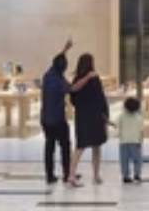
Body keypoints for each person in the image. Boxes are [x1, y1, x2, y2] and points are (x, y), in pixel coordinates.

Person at [40, 39, 81, 184]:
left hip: (45, 119)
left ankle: (49, 175)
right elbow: (73, 89)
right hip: (57, 119)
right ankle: (67, 174)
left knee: (49, 146)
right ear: (63, 69)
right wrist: (87, 77)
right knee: (65, 145)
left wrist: (65, 49)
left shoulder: (48, 75)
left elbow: (56, 61)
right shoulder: (59, 82)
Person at [67, 53, 108, 187]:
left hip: (82, 116)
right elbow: (100, 98)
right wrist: (105, 114)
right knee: (95, 146)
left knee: (80, 146)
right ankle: (96, 175)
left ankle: (72, 175)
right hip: (94, 116)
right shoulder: (93, 79)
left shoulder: (77, 79)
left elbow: (72, 96)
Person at [117, 96, 144, 184]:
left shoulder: (121, 116)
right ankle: (137, 175)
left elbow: (115, 124)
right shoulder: (139, 118)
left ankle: (125, 176)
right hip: (135, 142)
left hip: (123, 142)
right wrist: (141, 142)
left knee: (124, 161)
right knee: (137, 160)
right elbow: (141, 131)